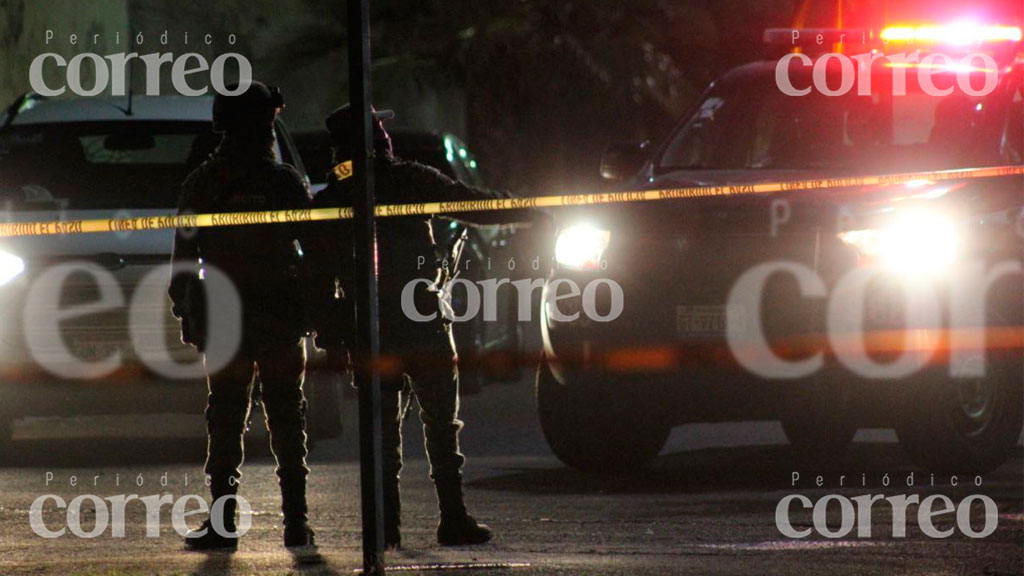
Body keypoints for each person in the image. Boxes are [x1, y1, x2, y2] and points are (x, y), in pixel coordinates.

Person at [309, 104, 544, 548]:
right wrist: (529, 209)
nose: (386, 132)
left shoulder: (329, 199)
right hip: (421, 320)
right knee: (440, 426)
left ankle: (386, 526)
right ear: (376, 139)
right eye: (379, 127)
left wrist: (332, 336)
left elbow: (320, 280)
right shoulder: (410, 178)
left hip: (370, 327)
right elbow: (475, 205)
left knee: (382, 435)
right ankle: (451, 518)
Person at [169, 81, 316, 551]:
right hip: (277, 318)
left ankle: (223, 523)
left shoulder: (203, 184)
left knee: (227, 418)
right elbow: (315, 252)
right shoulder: (285, 182)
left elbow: (182, 265)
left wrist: (189, 314)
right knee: (287, 419)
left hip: (227, 320)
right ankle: (296, 523)